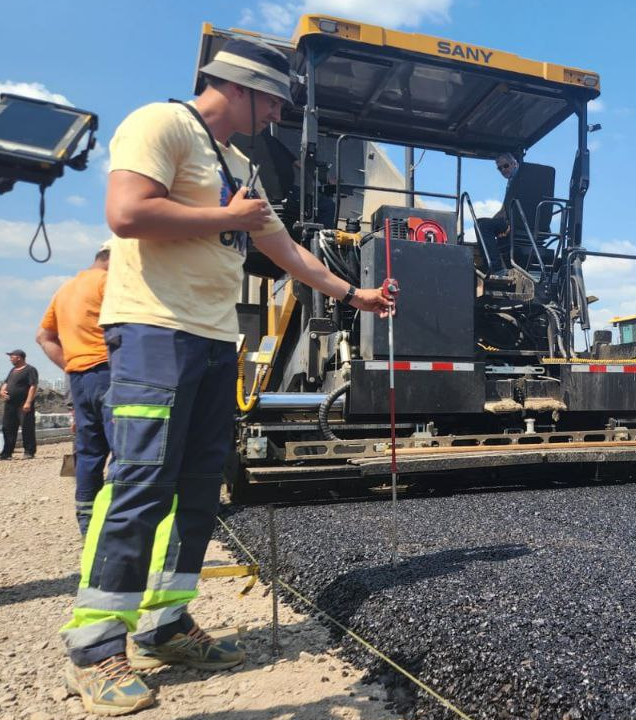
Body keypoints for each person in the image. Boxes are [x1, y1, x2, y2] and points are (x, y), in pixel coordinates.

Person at [58, 38, 393, 717]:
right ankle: (95, 648)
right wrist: (226, 218)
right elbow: (126, 212)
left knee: (198, 486)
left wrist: (349, 295)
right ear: (240, 87)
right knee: (143, 481)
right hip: (155, 331)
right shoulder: (162, 124)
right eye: (273, 99)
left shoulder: (237, 163)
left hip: (214, 342)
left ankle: (165, 624)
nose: (277, 113)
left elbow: (282, 247)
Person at [36, 244, 113, 534]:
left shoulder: (66, 289)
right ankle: (120, 526)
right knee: (127, 451)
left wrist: (72, 365)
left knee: (89, 453)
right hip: (111, 374)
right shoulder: (110, 283)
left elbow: (43, 336)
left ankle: (88, 526)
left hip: (80, 380)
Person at [474, 152, 519, 273]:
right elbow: (504, 208)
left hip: (519, 221)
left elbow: (524, 205)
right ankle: (488, 262)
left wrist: (510, 224)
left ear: (514, 163)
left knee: (483, 226)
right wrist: (493, 222)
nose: (503, 170)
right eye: (500, 168)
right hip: (514, 220)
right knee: (480, 223)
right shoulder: (512, 181)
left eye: (505, 166)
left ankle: (496, 268)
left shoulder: (521, 180)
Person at [0, 349, 38, 460]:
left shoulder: (30, 370)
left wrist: (28, 402)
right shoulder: (13, 370)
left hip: (23, 404)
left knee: (27, 427)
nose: (10, 358)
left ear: (19, 357)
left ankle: (29, 452)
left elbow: (33, 386)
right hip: (10, 404)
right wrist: (2, 391)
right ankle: (6, 453)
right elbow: (6, 383)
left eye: (12, 356)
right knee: (8, 427)